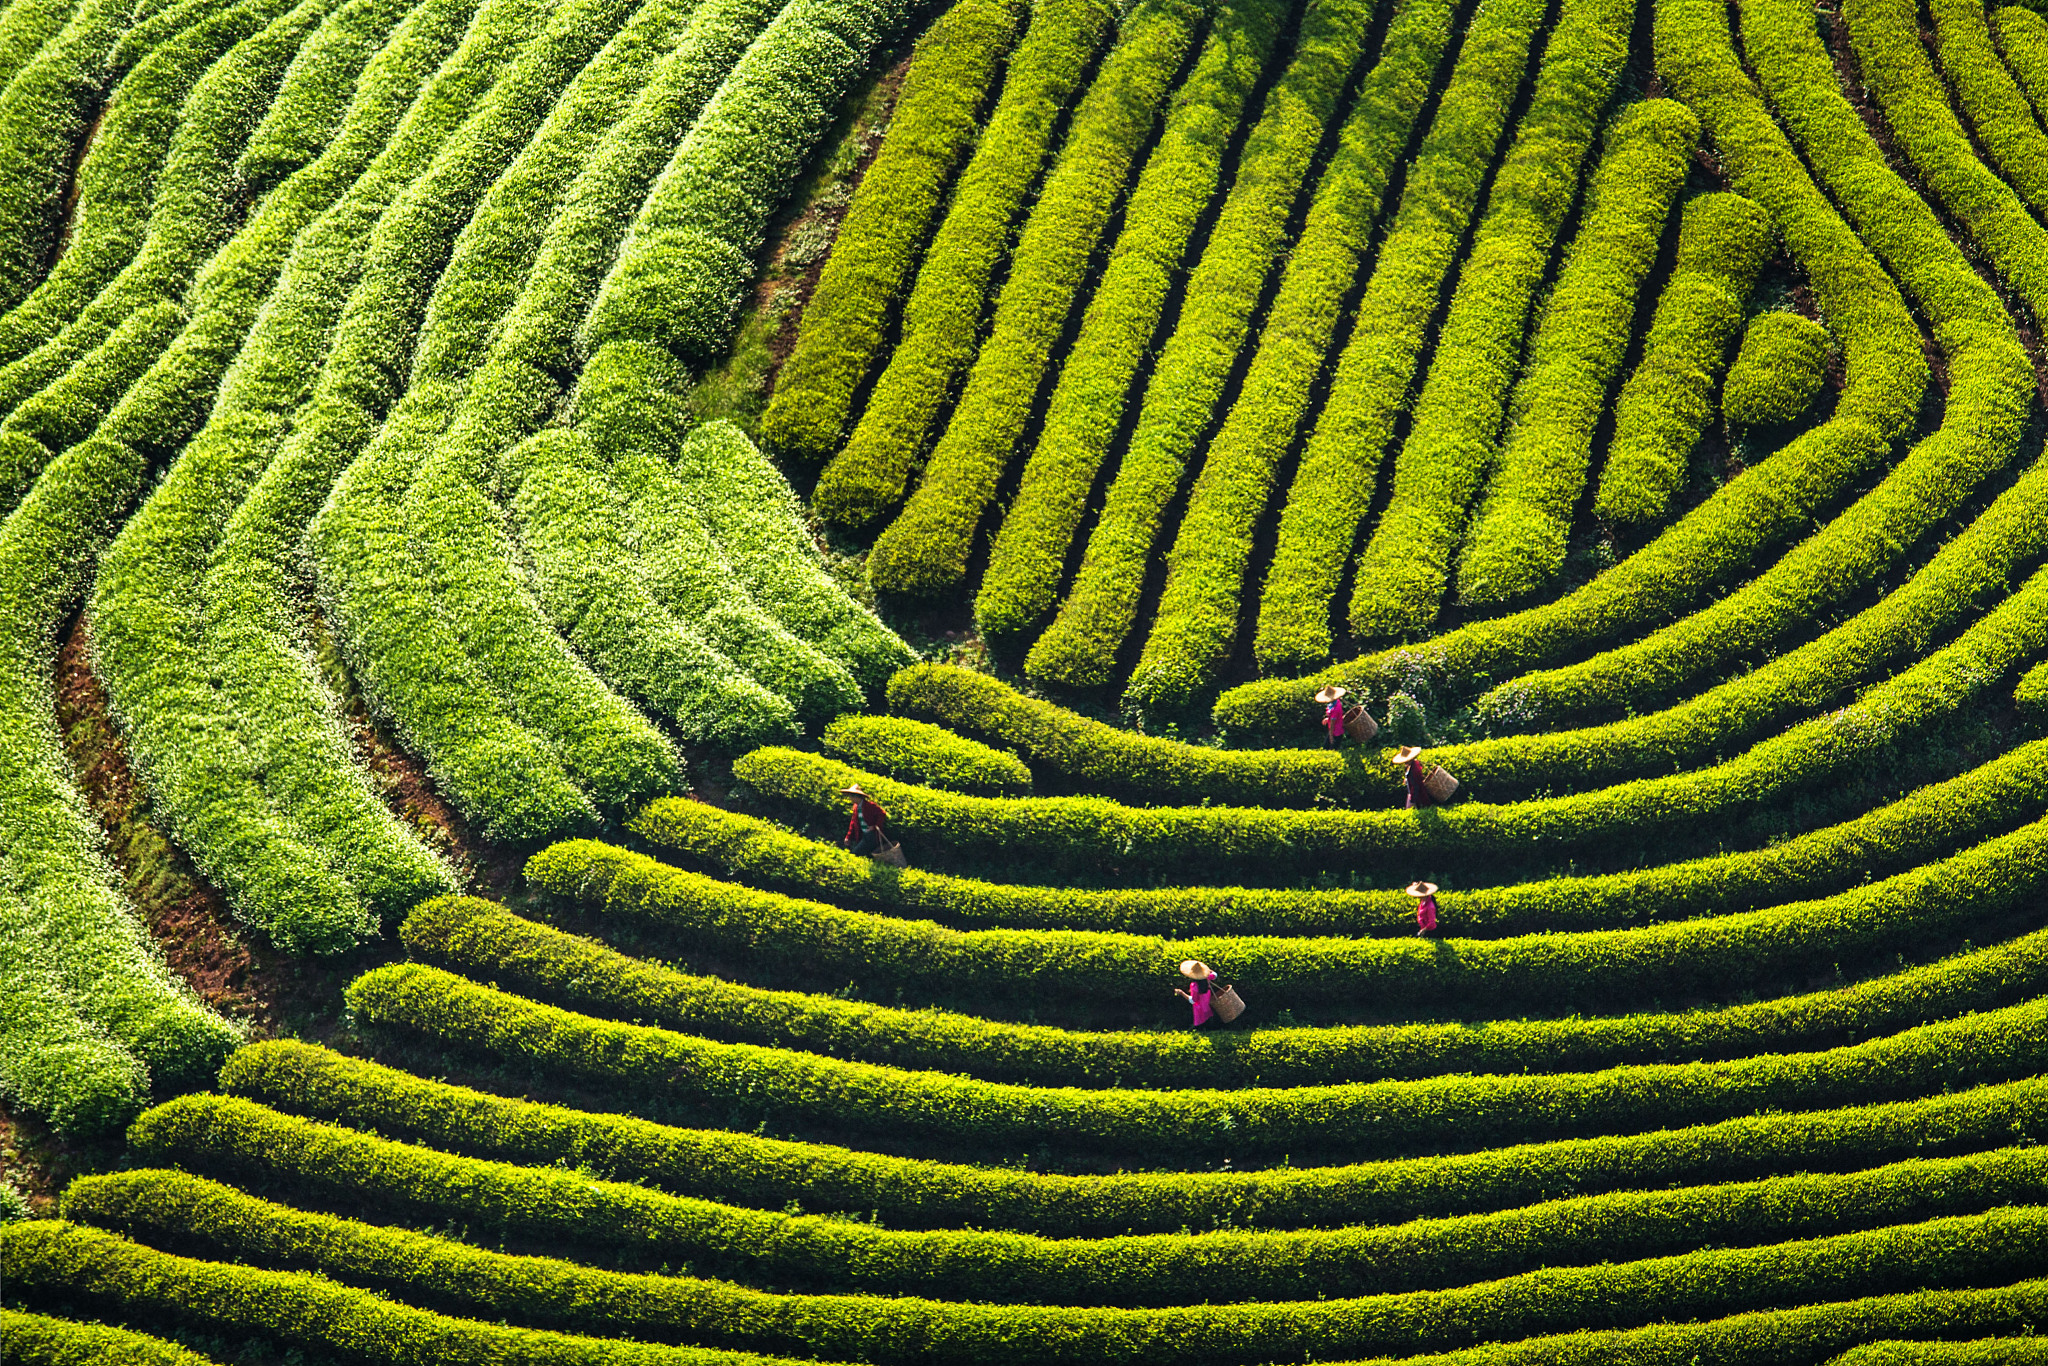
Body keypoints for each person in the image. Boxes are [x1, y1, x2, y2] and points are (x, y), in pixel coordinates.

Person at [840, 784, 889, 857]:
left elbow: (882, 814)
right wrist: (848, 837)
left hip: (871, 835)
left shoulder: (870, 805)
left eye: (851, 796)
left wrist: (875, 826)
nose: (850, 798)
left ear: (856, 797)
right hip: (863, 835)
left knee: (855, 853)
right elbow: (853, 822)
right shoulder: (856, 807)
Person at [1174, 960, 1218, 1028]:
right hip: (1208, 1006)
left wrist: (1181, 993)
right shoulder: (1207, 978)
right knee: (1209, 1021)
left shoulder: (1194, 985)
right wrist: (1207, 970)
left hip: (1200, 1010)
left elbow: (1193, 1000)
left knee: (1202, 1026)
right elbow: (1215, 975)